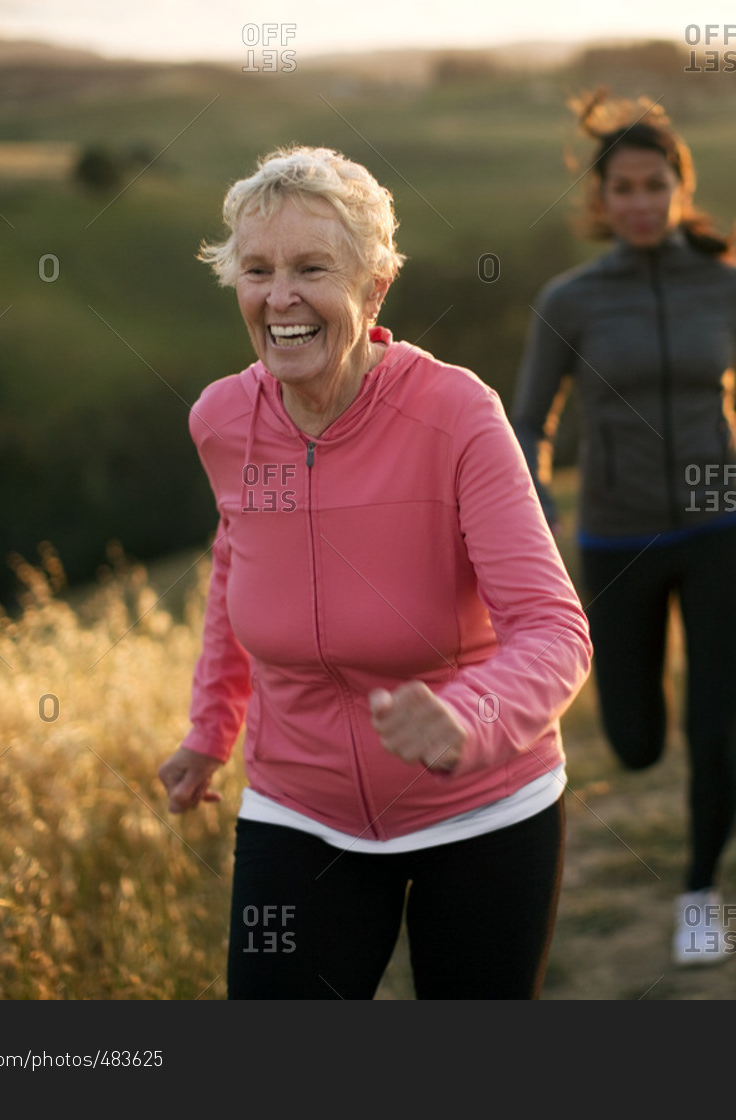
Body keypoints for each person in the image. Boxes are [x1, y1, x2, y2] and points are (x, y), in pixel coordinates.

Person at [158, 146, 592, 999]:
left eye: (312, 268)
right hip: (298, 805)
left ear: (373, 288)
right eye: (258, 270)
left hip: (482, 805)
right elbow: (237, 563)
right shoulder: (221, 421)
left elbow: (555, 630)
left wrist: (467, 716)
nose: (280, 296)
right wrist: (212, 730)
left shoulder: (456, 413)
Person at [510, 92, 736, 968]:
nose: (638, 201)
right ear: (599, 200)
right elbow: (527, 424)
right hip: (617, 539)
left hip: (722, 528)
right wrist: (535, 503)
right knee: (634, 743)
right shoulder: (570, 300)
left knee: (717, 725)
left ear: (680, 187)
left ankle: (700, 895)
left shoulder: (734, 285)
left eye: (654, 184)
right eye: (622, 187)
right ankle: (645, 742)